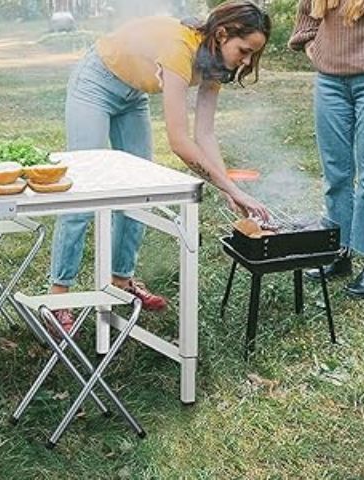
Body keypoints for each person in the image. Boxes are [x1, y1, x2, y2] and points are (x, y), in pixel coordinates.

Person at [49, 0, 272, 332]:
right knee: (85, 186)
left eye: (253, 54)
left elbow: (205, 134)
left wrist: (230, 189)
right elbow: (180, 143)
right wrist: (230, 186)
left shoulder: (214, 62)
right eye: (244, 50)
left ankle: (121, 283)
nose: (247, 60)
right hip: (97, 81)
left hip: (133, 95)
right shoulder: (180, 48)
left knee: (139, 192)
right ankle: (58, 297)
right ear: (222, 34)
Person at [289, 0, 364, 298]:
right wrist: (311, 47)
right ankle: (338, 253)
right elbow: (306, 13)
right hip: (329, 83)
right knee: (336, 175)